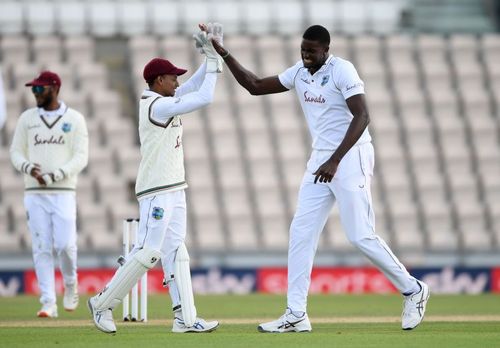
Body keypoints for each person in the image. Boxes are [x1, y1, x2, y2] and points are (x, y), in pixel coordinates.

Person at [210, 25, 430, 332]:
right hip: (321, 159)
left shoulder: (343, 70)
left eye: (311, 51)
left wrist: (336, 160)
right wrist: (223, 51)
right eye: (303, 50)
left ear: (326, 49)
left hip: (350, 156)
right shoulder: (300, 73)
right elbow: (255, 85)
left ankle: (412, 290)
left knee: (359, 235)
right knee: (301, 233)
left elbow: (363, 116)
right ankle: (296, 314)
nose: (305, 55)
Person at [88, 24, 223, 334]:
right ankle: (102, 304)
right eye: (173, 78)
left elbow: (195, 85)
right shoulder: (157, 106)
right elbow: (204, 98)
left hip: (175, 188)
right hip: (156, 190)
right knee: (149, 252)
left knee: (176, 251)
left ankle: (185, 319)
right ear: (159, 80)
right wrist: (215, 61)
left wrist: (213, 52)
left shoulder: (165, 98)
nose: (178, 82)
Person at [10, 70, 88, 318]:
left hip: (63, 191)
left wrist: (55, 175)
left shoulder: (74, 119)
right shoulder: (27, 119)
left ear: (54, 88)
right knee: (42, 247)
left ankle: (70, 283)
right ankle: (48, 302)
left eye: (38, 89)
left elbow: (80, 157)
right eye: (33, 89)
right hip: (34, 193)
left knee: (65, 245)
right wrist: (28, 168)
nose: (34, 94)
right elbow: (15, 152)